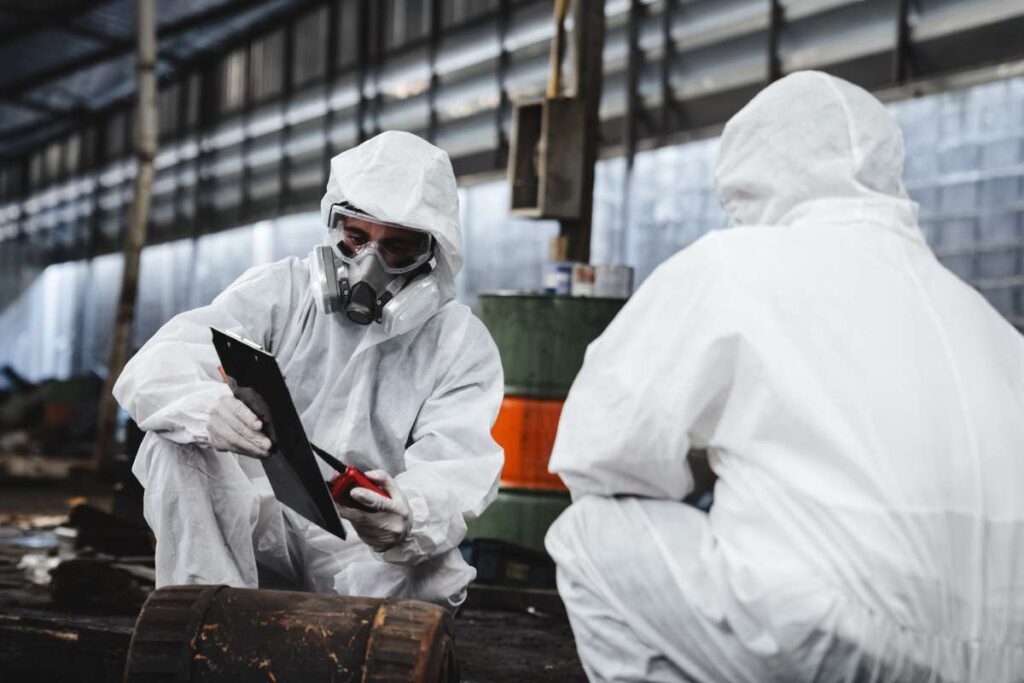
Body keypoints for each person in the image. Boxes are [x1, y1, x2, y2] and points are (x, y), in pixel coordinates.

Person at [545, 71, 1024, 681]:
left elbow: (601, 456)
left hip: (833, 633)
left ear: (752, 183)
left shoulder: (733, 262)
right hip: (1007, 655)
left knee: (593, 534)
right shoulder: (985, 321)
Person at [114, 131, 504, 613]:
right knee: (173, 442)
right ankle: (208, 622)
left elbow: (460, 463)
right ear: (334, 225)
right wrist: (206, 409)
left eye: (397, 248)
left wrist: (407, 511)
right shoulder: (282, 291)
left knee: (422, 577)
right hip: (263, 525)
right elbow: (161, 361)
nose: (369, 265)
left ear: (433, 251)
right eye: (357, 238)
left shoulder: (458, 342)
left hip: (367, 554)